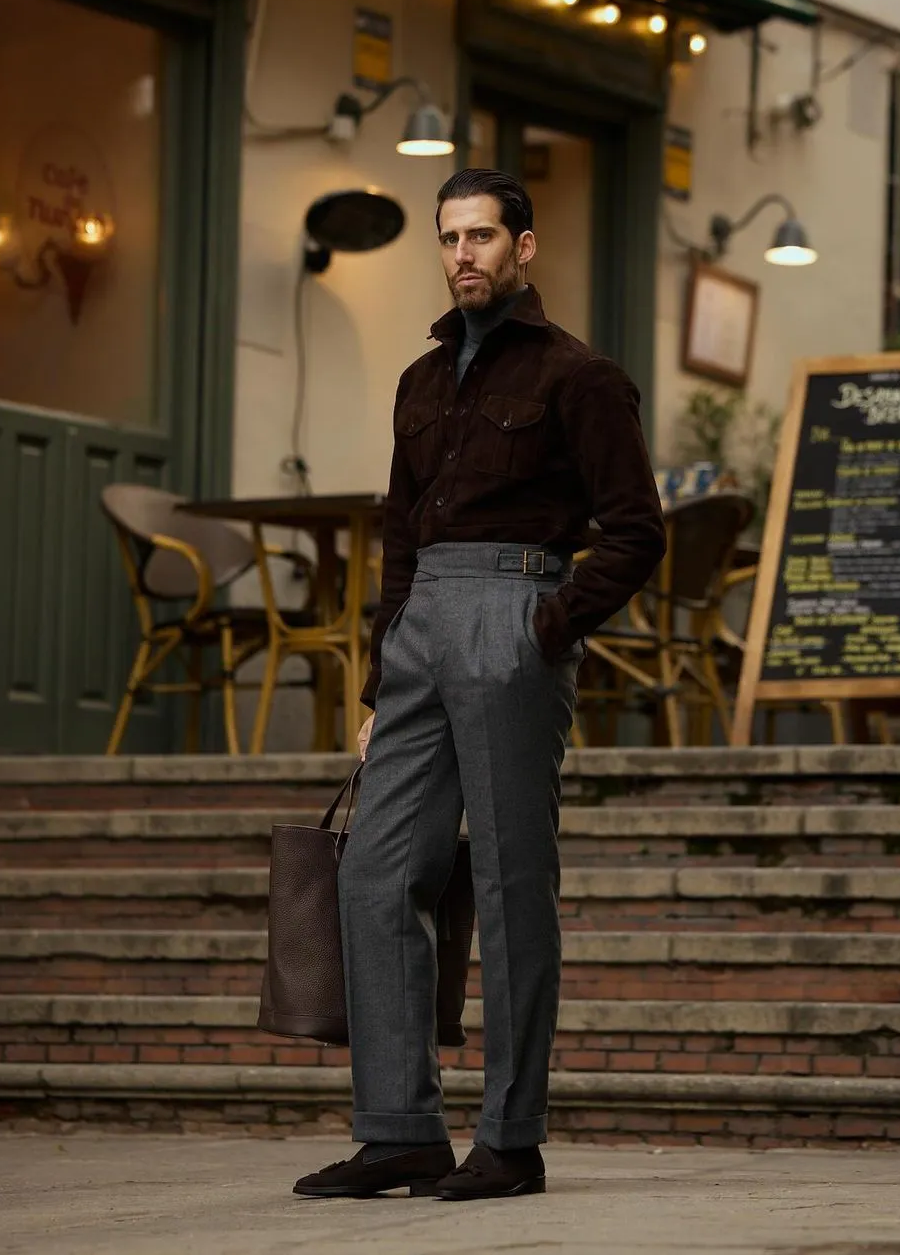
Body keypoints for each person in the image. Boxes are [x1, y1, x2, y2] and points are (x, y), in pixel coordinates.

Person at [293, 168, 666, 1202]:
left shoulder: (578, 378)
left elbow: (637, 533)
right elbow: (401, 534)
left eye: (483, 237)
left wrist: (545, 627)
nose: (463, 254)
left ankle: (511, 1139)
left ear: (523, 248)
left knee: (506, 883)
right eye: (450, 238)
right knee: (374, 875)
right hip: (419, 635)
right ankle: (402, 1130)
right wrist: (381, 678)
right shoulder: (419, 382)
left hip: (514, 619)